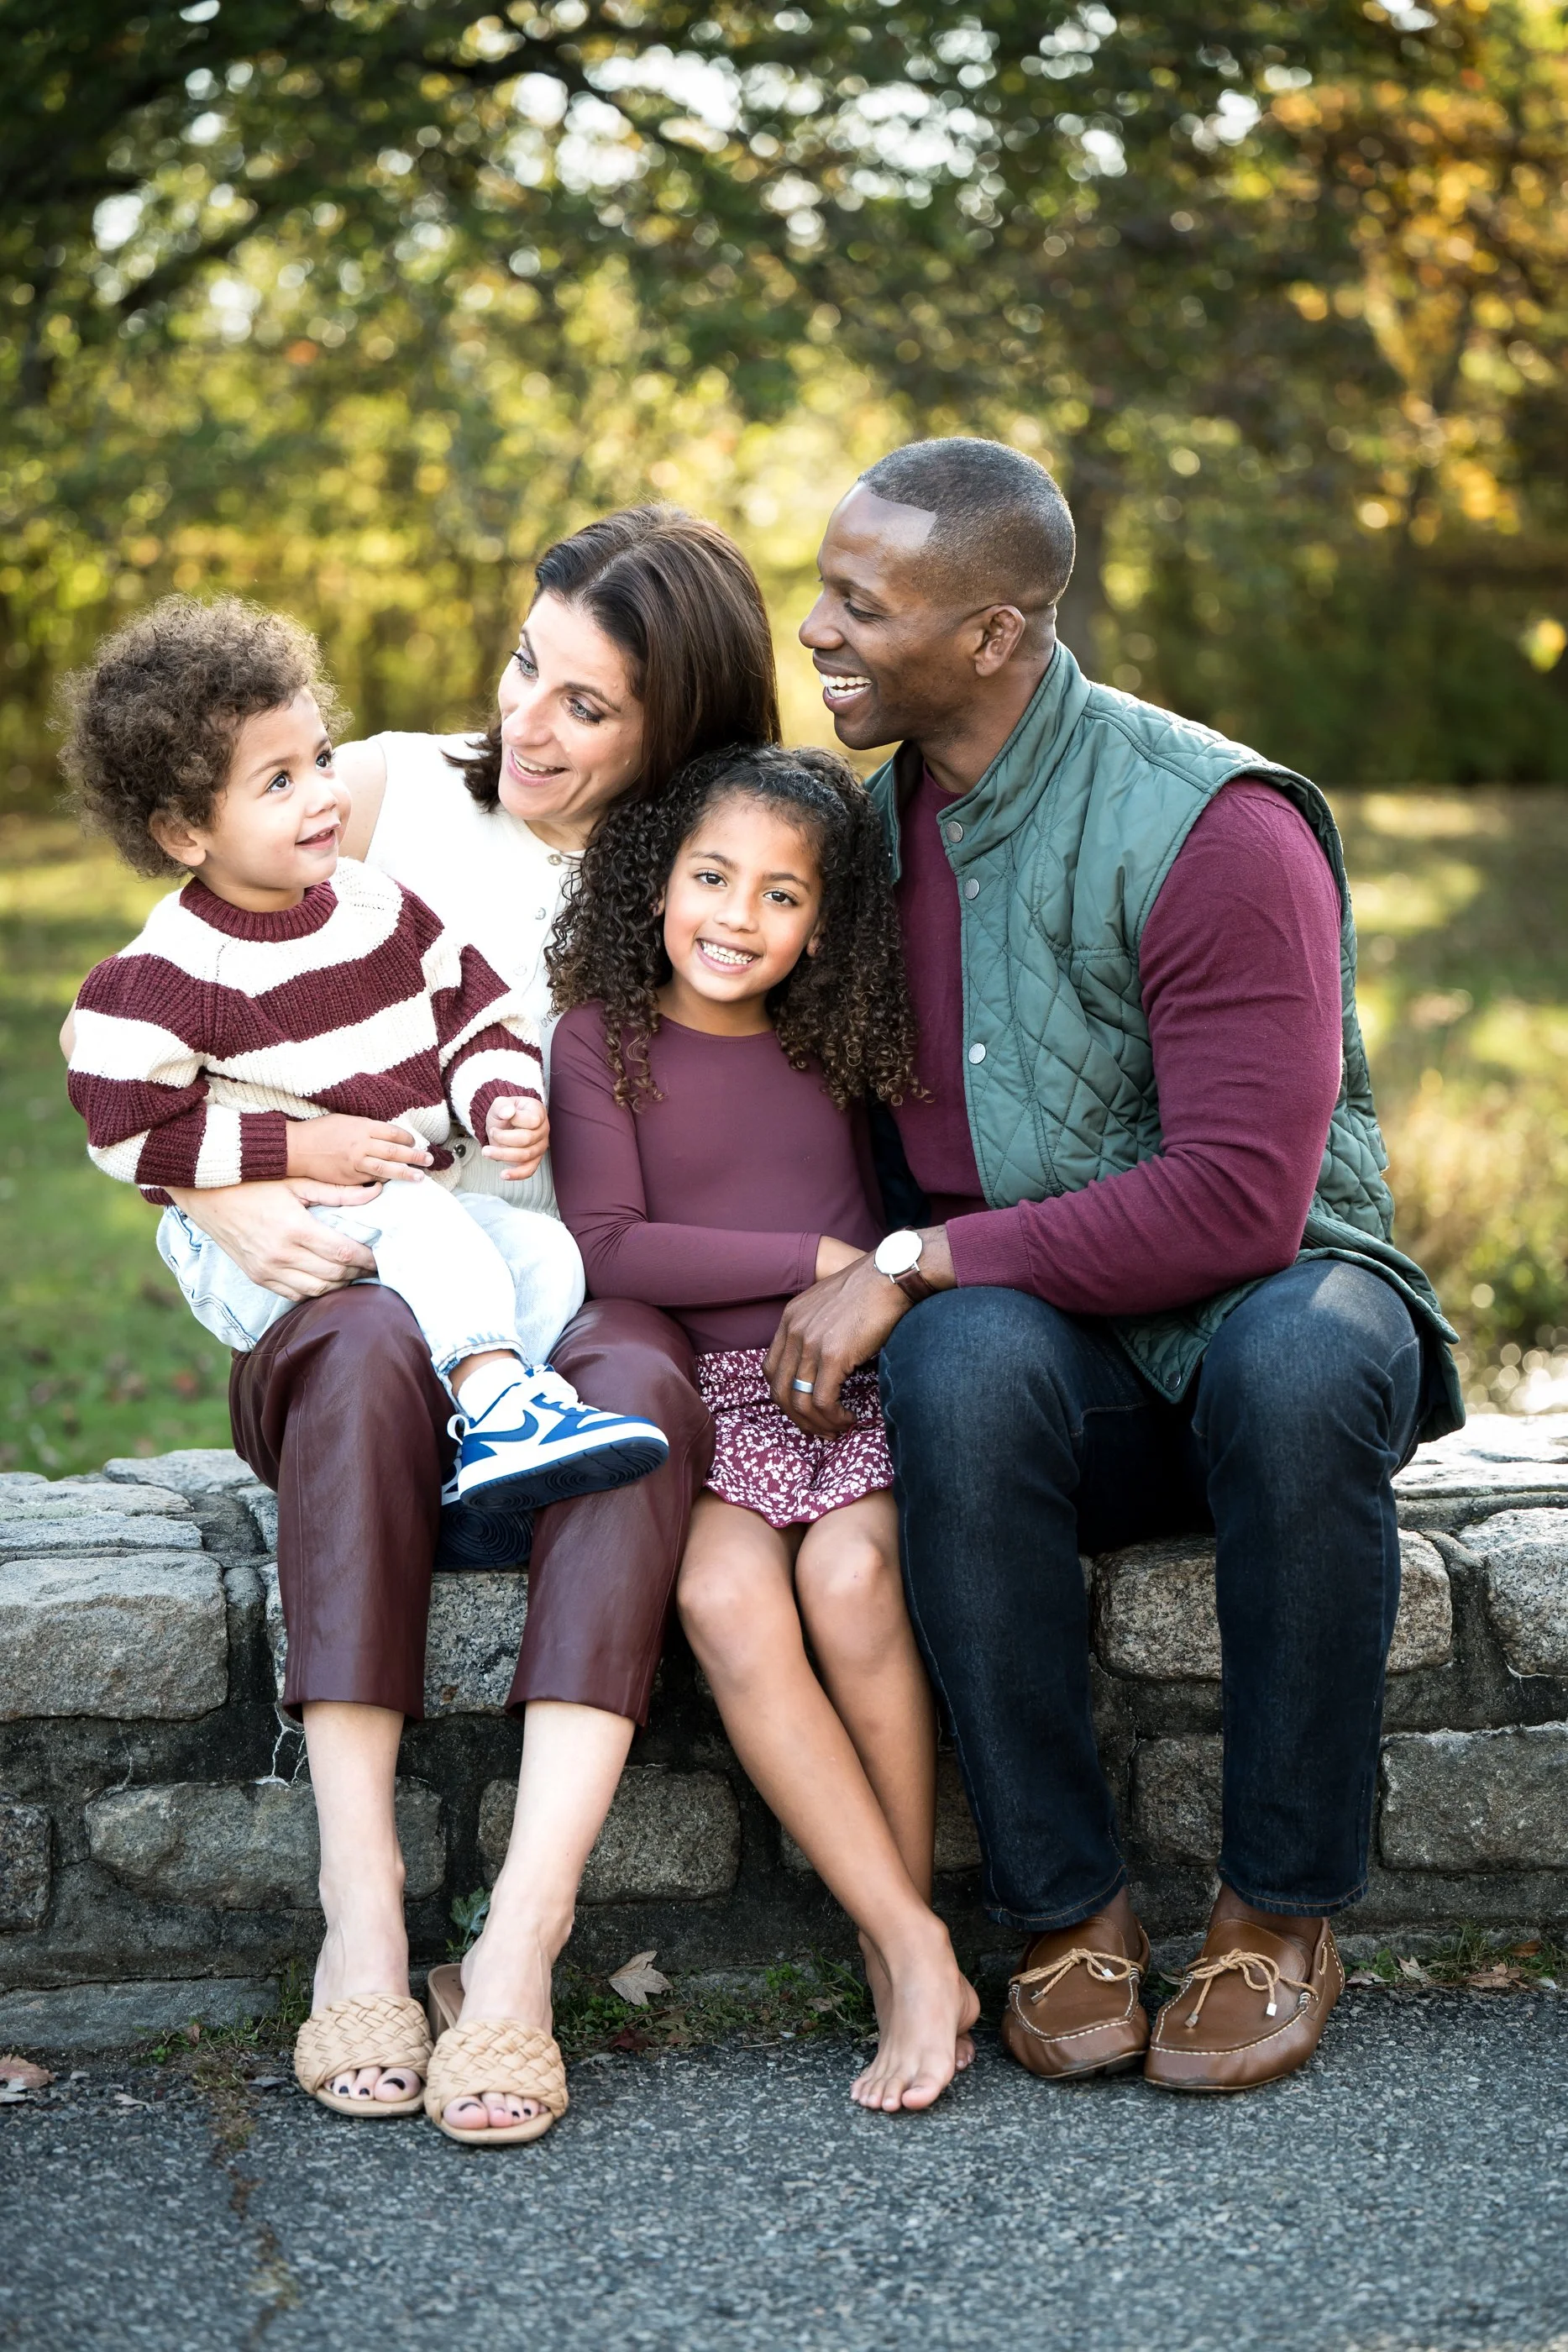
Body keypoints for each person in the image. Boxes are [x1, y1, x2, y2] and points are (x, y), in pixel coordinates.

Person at [64, 509, 779, 2142]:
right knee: (382, 1338)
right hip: (344, 1291)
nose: (529, 718)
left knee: (644, 1390)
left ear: (676, 731)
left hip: (566, 1292)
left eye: (588, 705)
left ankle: (517, 1951)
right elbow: (165, 1036)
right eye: (529, 662)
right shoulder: (373, 790)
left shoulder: (707, 873)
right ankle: (365, 1917)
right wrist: (233, 1189)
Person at [769, 437, 1462, 2096]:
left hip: (1274, 1298)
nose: (818, 628)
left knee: (1297, 1366)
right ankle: (1066, 1909)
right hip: (1057, 1359)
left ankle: (1276, 1914)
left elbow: (1237, 1199)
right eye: (824, 590)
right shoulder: (861, 839)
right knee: (955, 1362)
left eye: (863, 604)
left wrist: (923, 1256)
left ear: (995, 633)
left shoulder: (1213, 823)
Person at [547, 742, 979, 2112]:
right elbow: (610, 1250)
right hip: (715, 1401)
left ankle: (887, 1930)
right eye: (712, 877)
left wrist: (865, 1289)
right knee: (728, 1599)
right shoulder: (598, 1039)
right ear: (654, 878)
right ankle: (918, 1944)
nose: (738, 917)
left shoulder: (836, 1046)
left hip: (849, 1387)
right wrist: (814, 1258)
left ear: (824, 923)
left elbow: (907, 1236)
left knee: (851, 1581)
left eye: (782, 896)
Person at [62, 596, 667, 1565]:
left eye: (322, 759)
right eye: (279, 781)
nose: (322, 797)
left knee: (547, 1254)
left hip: (390, 1211)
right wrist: (297, 1147)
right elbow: (123, 1124)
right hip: (273, 1245)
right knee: (416, 1207)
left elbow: (473, 1015)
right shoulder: (171, 969)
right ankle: (498, 1396)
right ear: (182, 831)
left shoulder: (376, 904)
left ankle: (485, 1440)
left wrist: (496, 1097)